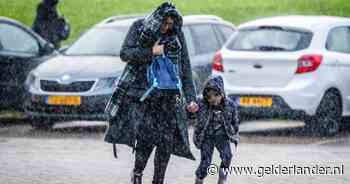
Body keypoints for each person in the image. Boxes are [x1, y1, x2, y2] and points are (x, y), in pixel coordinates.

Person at [104, 2, 198, 184]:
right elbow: (125, 53)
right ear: (157, 20)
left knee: (166, 142)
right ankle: (138, 173)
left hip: (169, 96)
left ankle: (158, 180)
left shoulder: (176, 34)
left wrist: (191, 98)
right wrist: (151, 52)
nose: (166, 28)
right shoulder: (139, 27)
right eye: (164, 23)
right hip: (145, 96)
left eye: (170, 24)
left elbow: (185, 67)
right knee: (147, 140)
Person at [193, 75, 240, 184]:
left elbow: (235, 121)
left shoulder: (230, 105)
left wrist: (233, 131)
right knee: (206, 162)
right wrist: (190, 110)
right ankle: (199, 178)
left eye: (216, 95)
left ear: (222, 93)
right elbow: (189, 114)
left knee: (227, 156)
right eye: (209, 96)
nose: (213, 99)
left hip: (222, 136)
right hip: (206, 136)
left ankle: (222, 178)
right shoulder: (201, 103)